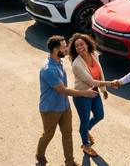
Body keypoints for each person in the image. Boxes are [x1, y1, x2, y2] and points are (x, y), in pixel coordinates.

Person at [36, 35, 98, 166]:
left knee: (67, 134)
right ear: (55, 50)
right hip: (50, 109)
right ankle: (40, 156)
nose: (67, 49)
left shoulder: (59, 61)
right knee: (48, 134)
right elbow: (63, 90)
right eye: (64, 47)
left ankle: (69, 162)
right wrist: (85, 93)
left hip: (64, 106)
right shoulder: (49, 69)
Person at [69, 33, 109, 158]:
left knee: (99, 115)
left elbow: (100, 72)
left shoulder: (94, 54)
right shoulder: (76, 64)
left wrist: (103, 89)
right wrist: (112, 83)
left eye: (82, 44)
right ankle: (85, 144)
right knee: (84, 120)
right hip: (82, 96)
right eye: (77, 46)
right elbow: (90, 81)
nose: (80, 47)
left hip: (94, 92)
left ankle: (84, 131)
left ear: (87, 44)